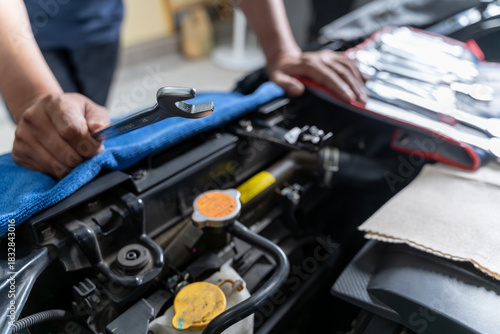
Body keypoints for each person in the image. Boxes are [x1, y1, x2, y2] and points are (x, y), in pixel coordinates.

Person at [0, 0, 366, 179]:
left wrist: (282, 51)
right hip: (16, 31)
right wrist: (33, 97)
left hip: (98, 24)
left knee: (84, 130)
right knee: (50, 147)